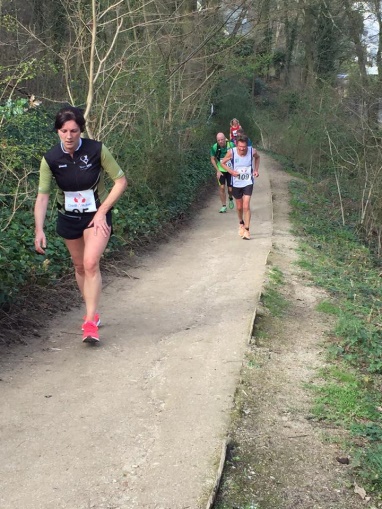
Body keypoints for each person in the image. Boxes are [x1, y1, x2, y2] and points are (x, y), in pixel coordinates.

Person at [34, 106, 128, 344]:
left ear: (80, 131)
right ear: (57, 131)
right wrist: (39, 229)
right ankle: (92, 311)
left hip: (96, 215)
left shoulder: (97, 150)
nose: (69, 136)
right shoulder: (51, 158)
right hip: (68, 217)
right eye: (64, 131)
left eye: (74, 131)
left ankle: (89, 323)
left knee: (90, 262)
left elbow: (120, 181)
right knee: (79, 267)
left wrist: (102, 212)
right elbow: (43, 196)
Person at [220, 134, 260, 240]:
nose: (242, 149)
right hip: (237, 183)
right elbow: (223, 163)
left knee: (246, 206)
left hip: (248, 182)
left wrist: (256, 170)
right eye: (240, 147)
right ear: (237, 144)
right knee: (239, 207)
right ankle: (241, 223)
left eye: (244, 147)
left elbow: (258, 158)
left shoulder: (252, 151)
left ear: (247, 145)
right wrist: (231, 172)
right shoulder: (232, 152)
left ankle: (247, 230)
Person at [210, 132, 235, 213]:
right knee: (222, 187)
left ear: (225, 139)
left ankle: (230, 198)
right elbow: (212, 159)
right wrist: (217, 170)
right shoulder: (215, 147)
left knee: (230, 189)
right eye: (218, 140)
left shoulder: (231, 145)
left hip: (230, 170)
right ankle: (224, 206)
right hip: (221, 170)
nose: (220, 141)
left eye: (222, 139)